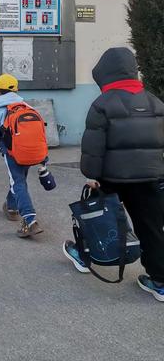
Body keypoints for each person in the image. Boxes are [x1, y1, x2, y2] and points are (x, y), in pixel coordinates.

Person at [63, 47, 164, 302]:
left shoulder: (102, 104)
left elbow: (93, 147)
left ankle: (86, 257)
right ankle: (160, 281)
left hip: (111, 176)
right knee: (152, 227)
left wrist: (91, 174)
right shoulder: (155, 102)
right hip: (150, 178)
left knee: (97, 216)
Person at [0, 74, 44, 237]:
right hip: (31, 151)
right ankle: (11, 207)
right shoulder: (26, 106)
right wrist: (44, 158)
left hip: (12, 153)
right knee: (19, 180)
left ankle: (30, 220)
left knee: (17, 182)